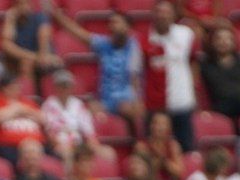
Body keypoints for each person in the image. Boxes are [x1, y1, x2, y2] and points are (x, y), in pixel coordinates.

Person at [50, 8, 144, 135]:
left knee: (134, 111)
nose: (112, 26)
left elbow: (135, 77)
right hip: (105, 101)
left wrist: (137, 100)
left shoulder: (134, 47)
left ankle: (139, 143)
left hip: (125, 99)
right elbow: (79, 33)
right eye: (111, 23)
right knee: (86, 110)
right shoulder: (104, 44)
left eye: (116, 22)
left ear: (127, 27)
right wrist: (58, 16)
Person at [143, 0, 197, 153]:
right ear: (153, 14)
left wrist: (195, 91)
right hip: (156, 105)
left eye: (166, 12)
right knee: (153, 150)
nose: (163, 16)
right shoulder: (145, 38)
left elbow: (194, 63)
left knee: (186, 147)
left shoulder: (186, 34)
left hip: (182, 101)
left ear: (173, 14)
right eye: (159, 12)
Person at [41, 70, 99, 164]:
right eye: (61, 85)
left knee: (107, 153)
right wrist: (61, 145)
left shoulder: (78, 105)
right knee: (68, 154)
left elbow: (88, 131)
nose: (64, 89)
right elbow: (50, 134)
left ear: (72, 87)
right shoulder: (48, 105)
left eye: (67, 85)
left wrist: (95, 146)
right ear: (56, 87)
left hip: (79, 144)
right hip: (59, 145)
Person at [0, 0, 59, 83]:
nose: (24, 7)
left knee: (28, 62)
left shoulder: (39, 17)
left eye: (26, 3)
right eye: (20, 4)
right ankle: (29, 93)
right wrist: (10, 20)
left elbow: (44, 34)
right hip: (24, 59)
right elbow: (6, 44)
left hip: (46, 57)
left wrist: (43, 55)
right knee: (26, 63)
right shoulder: (13, 22)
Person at [134, 111, 184, 180]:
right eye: (156, 123)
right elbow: (145, 173)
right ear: (151, 126)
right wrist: (158, 158)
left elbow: (179, 172)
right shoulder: (142, 146)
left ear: (169, 128)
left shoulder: (173, 146)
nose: (160, 127)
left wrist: (163, 159)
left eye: (163, 124)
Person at [201, 26, 240, 119]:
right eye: (219, 38)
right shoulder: (205, 65)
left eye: (227, 38)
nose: (223, 42)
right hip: (218, 111)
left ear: (233, 42)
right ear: (212, 42)